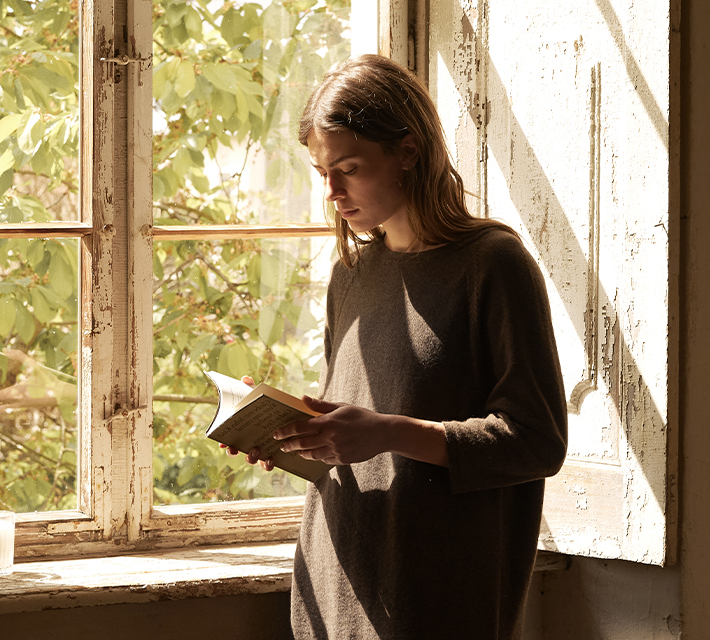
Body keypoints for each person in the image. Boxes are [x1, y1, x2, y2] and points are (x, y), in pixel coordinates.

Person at [227, 54, 567, 639]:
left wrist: (387, 431)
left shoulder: (493, 266)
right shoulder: (352, 274)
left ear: (408, 151)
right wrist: (290, 434)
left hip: (438, 596)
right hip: (334, 585)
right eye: (321, 171)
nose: (332, 191)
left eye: (348, 168)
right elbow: (358, 436)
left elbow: (538, 443)